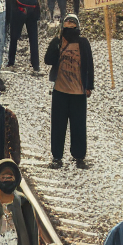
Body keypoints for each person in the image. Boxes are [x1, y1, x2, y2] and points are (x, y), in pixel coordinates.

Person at [44, 13, 93, 169]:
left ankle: (79, 157)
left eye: (73, 25)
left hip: (79, 92)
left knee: (79, 126)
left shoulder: (83, 43)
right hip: (60, 91)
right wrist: (56, 45)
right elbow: (47, 60)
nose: (70, 28)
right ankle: (57, 157)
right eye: (67, 25)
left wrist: (89, 86)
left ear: (77, 27)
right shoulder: (58, 42)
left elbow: (89, 65)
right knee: (58, 125)